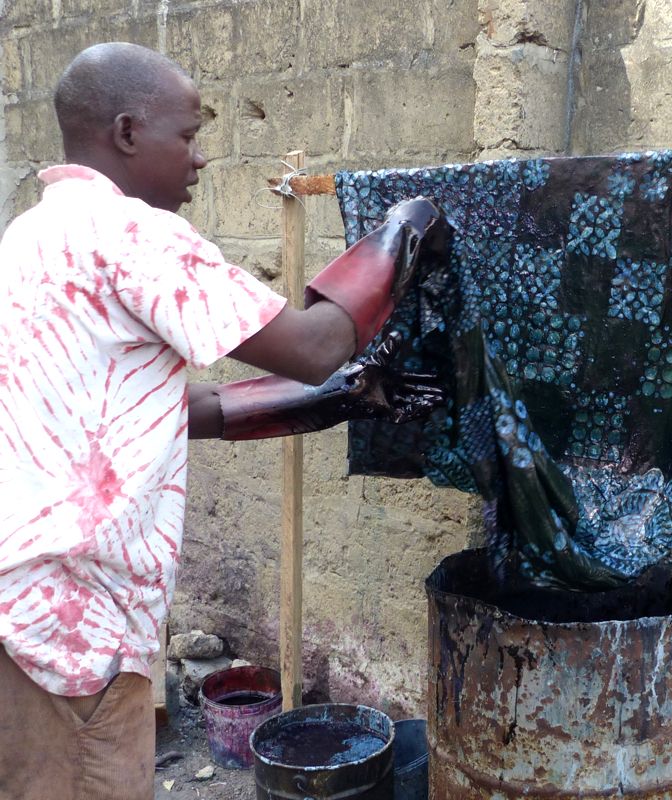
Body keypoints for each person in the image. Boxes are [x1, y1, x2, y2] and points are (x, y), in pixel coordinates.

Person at [0, 41, 447, 800]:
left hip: (25, 605)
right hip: (81, 625)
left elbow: (179, 410)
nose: (201, 159)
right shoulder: (134, 236)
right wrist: (404, 228)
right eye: (189, 135)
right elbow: (313, 345)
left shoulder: (32, 237)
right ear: (128, 131)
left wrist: (347, 396)